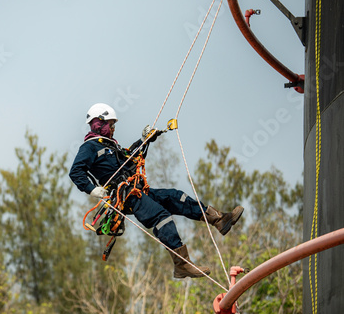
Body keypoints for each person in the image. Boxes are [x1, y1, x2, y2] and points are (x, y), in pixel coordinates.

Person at [69, 103, 244, 278]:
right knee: (161, 217)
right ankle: (181, 264)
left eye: (114, 125)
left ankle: (218, 219)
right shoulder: (89, 147)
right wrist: (93, 190)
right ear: (99, 124)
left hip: (136, 190)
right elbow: (76, 171)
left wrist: (144, 140)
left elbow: (129, 159)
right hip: (126, 196)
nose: (114, 128)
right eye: (111, 125)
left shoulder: (110, 145)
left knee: (175, 196)